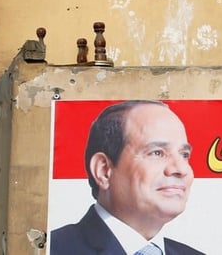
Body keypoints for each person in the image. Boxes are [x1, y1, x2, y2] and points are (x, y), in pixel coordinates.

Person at [50, 100, 204, 255]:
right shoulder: (50, 249)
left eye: (184, 155)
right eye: (157, 153)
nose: (181, 169)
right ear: (104, 170)